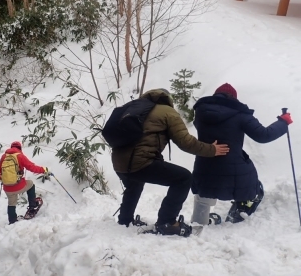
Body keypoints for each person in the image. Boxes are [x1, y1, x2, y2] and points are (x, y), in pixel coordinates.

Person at [111, 88, 229, 237]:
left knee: (134, 183)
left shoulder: (133, 108)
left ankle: (125, 220)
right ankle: (167, 222)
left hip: (119, 163)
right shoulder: (167, 111)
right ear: (168, 99)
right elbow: (185, 142)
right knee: (183, 178)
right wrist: (211, 149)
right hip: (139, 162)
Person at [190, 83, 291, 225]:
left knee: (204, 191)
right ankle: (243, 208)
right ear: (233, 98)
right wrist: (283, 123)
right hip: (231, 166)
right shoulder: (240, 114)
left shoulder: (201, 113)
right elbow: (263, 135)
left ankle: (198, 224)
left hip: (205, 164)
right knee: (250, 182)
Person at [0, 141, 49, 224]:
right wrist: (43, 170)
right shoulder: (20, 156)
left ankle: (12, 221)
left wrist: (3, 179)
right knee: (30, 184)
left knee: (11, 202)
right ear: (20, 148)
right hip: (18, 186)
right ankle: (32, 207)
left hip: (7, 188)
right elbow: (32, 167)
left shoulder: (4, 156)